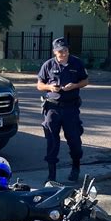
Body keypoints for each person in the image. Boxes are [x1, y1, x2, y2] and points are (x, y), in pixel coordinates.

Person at [37, 37, 88, 182]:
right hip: (52, 108)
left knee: (74, 140)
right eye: (60, 51)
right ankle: (51, 176)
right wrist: (49, 87)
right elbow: (39, 85)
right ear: (54, 52)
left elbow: (85, 81)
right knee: (52, 140)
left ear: (68, 50)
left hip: (71, 108)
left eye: (65, 50)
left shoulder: (76, 63)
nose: (63, 54)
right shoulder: (48, 65)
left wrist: (75, 85)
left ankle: (75, 168)